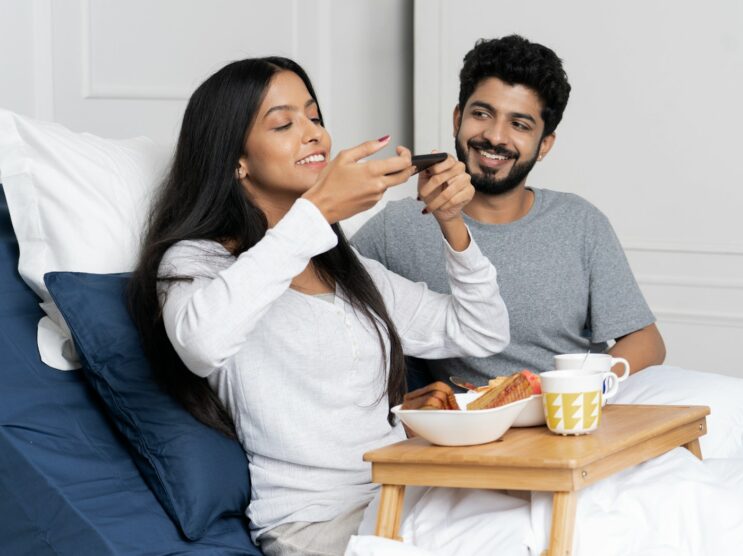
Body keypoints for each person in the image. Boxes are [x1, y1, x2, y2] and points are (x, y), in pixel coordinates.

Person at [127, 57, 509, 556]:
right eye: (285, 123)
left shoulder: (343, 266)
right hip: (316, 525)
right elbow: (202, 344)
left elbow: (481, 332)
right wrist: (318, 211)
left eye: (314, 117)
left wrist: (452, 221)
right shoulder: (200, 262)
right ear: (234, 159)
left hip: (401, 495)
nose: (314, 135)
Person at [353, 34, 665, 391]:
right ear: (458, 119)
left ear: (544, 144)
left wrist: (582, 389)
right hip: (464, 434)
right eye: (482, 114)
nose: (495, 136)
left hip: (567, 419)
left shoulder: (580, 223)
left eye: (519, 125)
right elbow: (326, 294)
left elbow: (647, 341)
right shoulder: (399, 226)